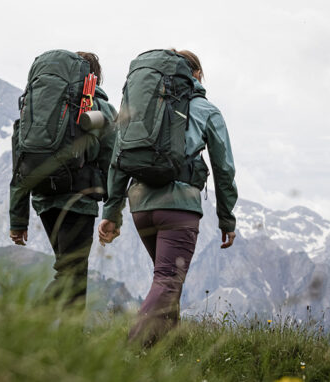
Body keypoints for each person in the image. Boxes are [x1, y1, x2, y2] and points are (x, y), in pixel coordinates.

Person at [98, 49, 238, 345]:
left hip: (140, 207)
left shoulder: (139, 108)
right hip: (178, 207)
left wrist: (112, 213)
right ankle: (129, 353)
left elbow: (118, 159)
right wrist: (226, 218)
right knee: (167, 280)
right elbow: (223, 167)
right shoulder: (206, 109)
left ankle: (169, 352)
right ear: (196, 74)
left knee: (167, 282)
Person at [9, 51, 117, 310]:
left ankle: (68, 345)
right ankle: (27, 327)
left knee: (71, 272)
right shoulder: (99, 108)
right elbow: (111, 160)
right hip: (79, 198)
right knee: (71, 273)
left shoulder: (33, 114)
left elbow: (19, 165)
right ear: (94, 77)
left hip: (44, 198)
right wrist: (112, 210)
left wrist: (18, 219)